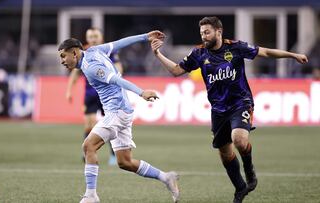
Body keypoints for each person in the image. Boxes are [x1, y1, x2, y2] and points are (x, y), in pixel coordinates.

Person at [151, 16, 308, 203]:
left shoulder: (236, 47)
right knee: (225, 153)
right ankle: (240, 187)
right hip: (218, 110)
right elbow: (176, 71)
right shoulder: (199, 54)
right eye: (202, 33)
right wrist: (157, 54)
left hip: (241, 102)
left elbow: (265, 52)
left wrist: (293, 55)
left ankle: (250, 172)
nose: (204, 36)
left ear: (219, 32)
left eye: (207, 32)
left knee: (239, 139)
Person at [58, 31, 180, 203]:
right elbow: (120, 42)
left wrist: (141, 92)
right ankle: (166, 177)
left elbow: (116, 79)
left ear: (74, 53)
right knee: (125, 162)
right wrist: (145, 37)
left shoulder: (90, 67)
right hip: (122, 111)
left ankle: (91, 196)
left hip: (117, 112)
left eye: (63, 56)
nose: (62, 61)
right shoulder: (95, 50)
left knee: (88, 146)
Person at [65, 28, 123, 165]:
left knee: (111, 125)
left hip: (107, 95)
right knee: (88, 125)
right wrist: (69, 90)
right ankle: (88, 151)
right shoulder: (82, 52)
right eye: (90, 37)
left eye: (95, 36)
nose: (93, 39)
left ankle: (113, 154)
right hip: (90, 94)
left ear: (101, 38)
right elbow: (75, 73)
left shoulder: (109, 51)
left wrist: (116, 79)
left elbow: (119, 67)